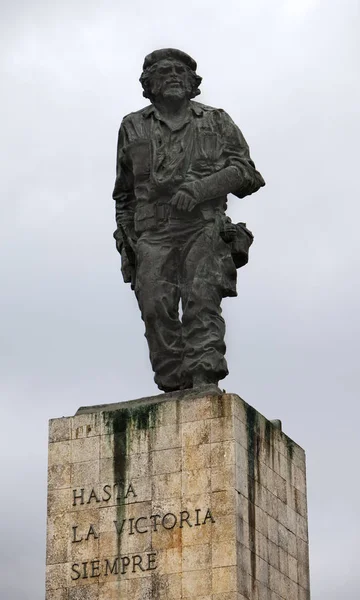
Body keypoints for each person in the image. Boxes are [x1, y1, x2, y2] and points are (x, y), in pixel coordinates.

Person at [113, 48, 265, 392]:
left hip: (203, 226)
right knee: (154, 307)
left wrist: (201, 189)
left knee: (202, 299)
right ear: (148, 84)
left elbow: (247, 174)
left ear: (194, 83)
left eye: (180, 71)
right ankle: (173, 384)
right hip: (152, 232)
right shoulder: (132, 126)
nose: (173, 76)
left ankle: (203, 377)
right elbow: (123, 194)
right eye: (164, 71)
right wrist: (127, 239)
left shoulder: (215, 121)